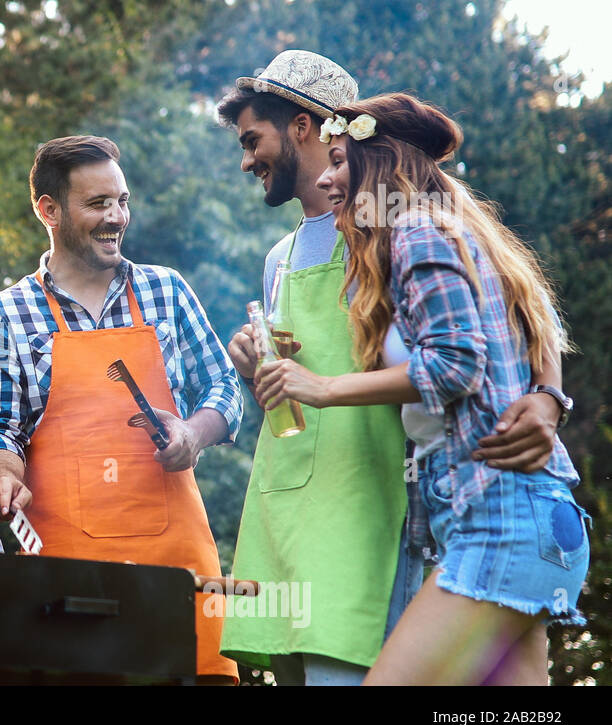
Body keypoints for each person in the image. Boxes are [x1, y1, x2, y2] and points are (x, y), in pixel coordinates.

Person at [216, 51, 566, 685]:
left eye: (252, 140)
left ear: (309, 130)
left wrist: (546, 397)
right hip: (303, 498)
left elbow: (515, 319)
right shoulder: (284, 256)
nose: (245, 160)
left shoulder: (400, 227)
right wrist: (260, 360)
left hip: (411, 500)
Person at [0, 135, 243, 683]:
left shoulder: (166, 290)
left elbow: (225, 389)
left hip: (177, 565)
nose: (116, 217)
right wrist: (2, 480)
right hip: (65, 571)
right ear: (48, 210)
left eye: (121, 201)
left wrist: (191, 434)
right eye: (97, 204)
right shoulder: (7, 314)